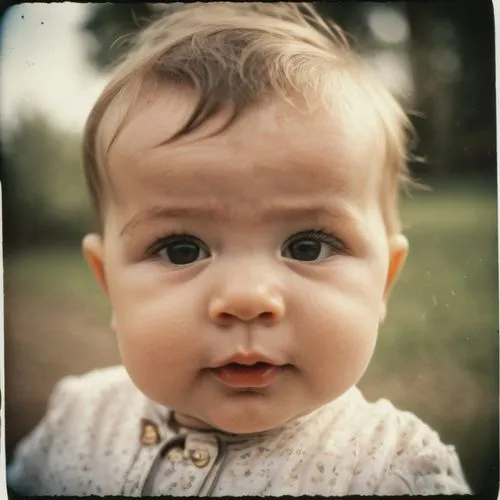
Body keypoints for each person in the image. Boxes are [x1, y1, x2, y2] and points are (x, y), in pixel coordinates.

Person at [7, 3, 471, 496]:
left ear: (385, 280)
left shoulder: (395, 473)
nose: (247, 298)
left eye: (308, 246)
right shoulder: (77, 422)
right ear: (109, 283)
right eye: (182, 249)